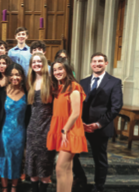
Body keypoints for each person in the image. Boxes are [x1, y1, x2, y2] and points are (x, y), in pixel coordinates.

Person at [72, 53, 123, 192]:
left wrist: (98, 124)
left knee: (99, 159)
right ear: (90, 64)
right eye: (94, 61)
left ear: (106, 63)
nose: (97, 64)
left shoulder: (114, 82)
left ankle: (98, 187)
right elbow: (78, 104)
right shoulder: (82, 82)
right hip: (81, 126)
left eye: (100, 61)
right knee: (72, 154)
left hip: (100, 127)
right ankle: (80, 177)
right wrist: (79, 122)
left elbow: (116, 107)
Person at [46, 58, 88, 192]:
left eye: (60, 68)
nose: (57, 72)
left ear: (67, 70)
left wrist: (64, 130)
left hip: (70, 130)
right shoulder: (58, 87)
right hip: (62, 129)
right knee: (67, 167)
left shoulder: (74, 87)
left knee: (59, 167)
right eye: (54, 70)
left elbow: (75, 113)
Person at [25, 54, 55, 192]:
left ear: (44, 63)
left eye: (39, 61)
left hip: (47, 127)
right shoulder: (30, 81)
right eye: (34, 62)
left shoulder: (51, 81)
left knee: (44, 162)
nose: (36, 64)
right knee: (32, 162)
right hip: (32, 128)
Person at [0, 63, 27, 192]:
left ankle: (14, 187)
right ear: (8, 76)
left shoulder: (27, 91)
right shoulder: (2, 92)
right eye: (12, 74)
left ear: (22, 76)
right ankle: (4, 188)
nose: (15, 77)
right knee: (3, 158)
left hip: (20, 132)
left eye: (17, 74)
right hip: (5, 132)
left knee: (17, 159)